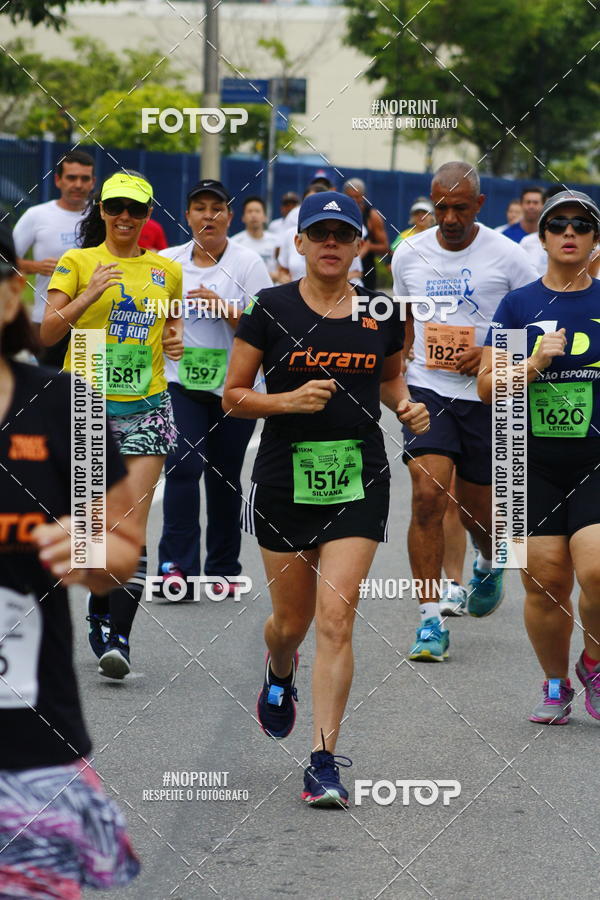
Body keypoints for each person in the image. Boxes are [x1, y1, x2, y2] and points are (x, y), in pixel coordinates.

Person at [223, 191, 429, 806]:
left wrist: (406, 405)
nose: (333, 243)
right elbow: (233, 394)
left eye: (344, 233)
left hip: (358, 475)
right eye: (322, 234)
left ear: (359, 244)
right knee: (293, 622)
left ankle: (322, 761)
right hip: (285, 477)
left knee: (337, 620)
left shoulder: (382, 308)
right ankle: (279, 666)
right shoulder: (270, 307)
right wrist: (285, 401)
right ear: (302, 243)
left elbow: (390, 377)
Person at [0, 223, 141, 897]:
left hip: (29, 744)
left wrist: (83, 551)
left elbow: (119, 551)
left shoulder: (67, 405)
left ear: (8, 299)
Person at [40, 171, 184, 678]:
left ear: (148, 216)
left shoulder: (166, 270)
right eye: (117, 207)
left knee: (131, 527)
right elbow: (47, 332)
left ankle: (117, 636)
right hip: (84, 402)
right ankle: (98, 607)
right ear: (101, 209)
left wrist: (174, 341)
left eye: (137, 209)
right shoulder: (77, 262)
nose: (126, 217)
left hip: (146, 405)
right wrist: (89, 294)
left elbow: (169, 325)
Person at [392, 161, 538, 658]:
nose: (448, 218)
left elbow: (537, 320)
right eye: (440, 208)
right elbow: (405, 316)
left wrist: (495, 348)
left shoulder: (511, 257)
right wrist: (402, 365)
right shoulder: (409, 253)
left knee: (477, 509)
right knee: (429, 496)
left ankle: (487, 557)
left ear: (480, 205)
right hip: (427, 388)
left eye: (459, 208)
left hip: (484, 393)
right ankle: (430, 621)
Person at [478, 190, 600, 724]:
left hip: (596, 459)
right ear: (543, 236)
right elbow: (486, 386)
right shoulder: (520, 305)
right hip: (523, 459)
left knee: (596, 571)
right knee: (544, 580)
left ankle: (593, 663)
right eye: (558, 224)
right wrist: (530, 365)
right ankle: (555, 683)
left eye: (581, 224)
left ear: (595, 239)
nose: (569, 231)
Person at [156, 180, 272, 599]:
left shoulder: (247, 263)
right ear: (187, 216)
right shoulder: (167, 263)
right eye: (200, 208)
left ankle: (223, 568)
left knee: (224, 478)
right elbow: (152, 317)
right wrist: (166, 333)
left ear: (230, 216)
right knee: (183, 467)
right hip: (180, 383)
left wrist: (225, 310)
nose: (209, 215)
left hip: (233, 388)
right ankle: (175, 568)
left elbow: (266, 329)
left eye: (217, 208)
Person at [12, 150, 96, 359]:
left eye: (84, 178)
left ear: (93, 182)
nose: (78, 184)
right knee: (43, 388)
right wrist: (34, 267)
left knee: (83, 390)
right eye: (71, 177)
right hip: (46, 319)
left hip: (91, 324)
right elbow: (4, 259)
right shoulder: (37, 215)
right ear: (58, 180)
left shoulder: (101, 216)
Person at [278, 185, 363, 284]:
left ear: (358, 246)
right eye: (318, 233)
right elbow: (282, 269)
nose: (331, 242)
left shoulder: (372, 300)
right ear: (299, 243)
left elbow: (357, 272)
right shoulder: (267, 299)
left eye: (343, 234)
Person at [343, 177, 389, 290]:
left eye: (357, 197)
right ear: (344, 195)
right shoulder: (339, 214)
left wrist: (368, 247)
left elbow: (385, 247)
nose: (354, 200)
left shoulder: (372, 216)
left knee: (365, 305)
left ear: (364, 197)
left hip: (366, 270)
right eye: (350, 197)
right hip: (343, 269)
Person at [230, 196, 278, 281]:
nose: (253, 215)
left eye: (257, 211)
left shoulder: (276, 242)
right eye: (249, 211)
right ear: (243, 218)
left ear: (265, 217)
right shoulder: (234, 243)